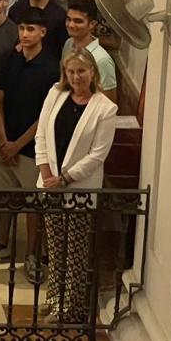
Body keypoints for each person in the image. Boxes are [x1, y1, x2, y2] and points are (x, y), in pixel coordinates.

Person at [34, 48, 118, 323]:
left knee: (76, 250)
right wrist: (47, 174)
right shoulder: (54, 94)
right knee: (55, 247)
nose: (76, 77)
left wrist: (66, 178)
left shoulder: (105, 108)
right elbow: (42, 134)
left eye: (81, 71)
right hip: (50, 183)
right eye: (70, 71)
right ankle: (54, 297)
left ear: (93, 72)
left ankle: (70, 307)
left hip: (79, 187)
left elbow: (98, 154)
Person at [0, 9, 62, 273]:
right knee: (4, 196)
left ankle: (32, 255)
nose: (25, 34)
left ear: (42, 32)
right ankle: (1, 245)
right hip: (5, 142)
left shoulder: (51, 67)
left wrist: (18, 143)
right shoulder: (9, 59)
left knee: (33, 203)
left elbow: (45, 116)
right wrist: (3, 139)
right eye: (22, 29)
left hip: (31, 146)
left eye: (31, 30)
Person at [63, 0, 117, 101]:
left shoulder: (102, 60)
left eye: (78, 21)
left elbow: (109, 103)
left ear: (92, 24)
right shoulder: (68, 44)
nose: (71, 25)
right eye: (69, 19)